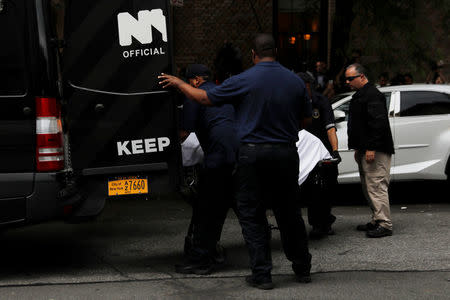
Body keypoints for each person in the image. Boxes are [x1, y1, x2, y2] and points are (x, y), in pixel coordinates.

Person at [159, 33, 312, 290]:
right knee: (289, 212)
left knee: (252, 214)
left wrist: (178, 82)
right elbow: (306, 121)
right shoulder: (295, 81)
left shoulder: (244, 80)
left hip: (252, 154)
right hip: (286, 152)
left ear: (254, 54)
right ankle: (302, 268)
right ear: (276, 51)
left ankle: (262, 275)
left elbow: (204, 98)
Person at [176, 64, 238, 275]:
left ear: (194, 81)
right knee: (227, 209)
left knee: (205, 210)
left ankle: (201, 259)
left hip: (217, 158)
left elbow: (184, 133)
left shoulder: (195, 96)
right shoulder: (223, 92)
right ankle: (214, 253)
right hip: (237, 157)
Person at [345, 63, 395, 238]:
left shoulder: (372, 94)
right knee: (369, 186)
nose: (347, 81)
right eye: (347, 78)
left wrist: (371, 147)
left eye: (350, 78)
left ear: (362, 76)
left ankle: (384, 224)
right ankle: (377, 219)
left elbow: (378, 123)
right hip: (366, 148)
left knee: (376, 185)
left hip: (376, 149)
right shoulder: (362, 94)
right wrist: (360, 148)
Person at [297, 72, 341, 239]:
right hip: (302, 152)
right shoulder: (293, 102)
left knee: (326, 188)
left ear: (310, 86)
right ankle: (315, 223)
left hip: (321, 152)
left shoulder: (321, 102)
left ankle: (325, 222)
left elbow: (330, 128)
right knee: (308, 189)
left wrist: (335, 151)